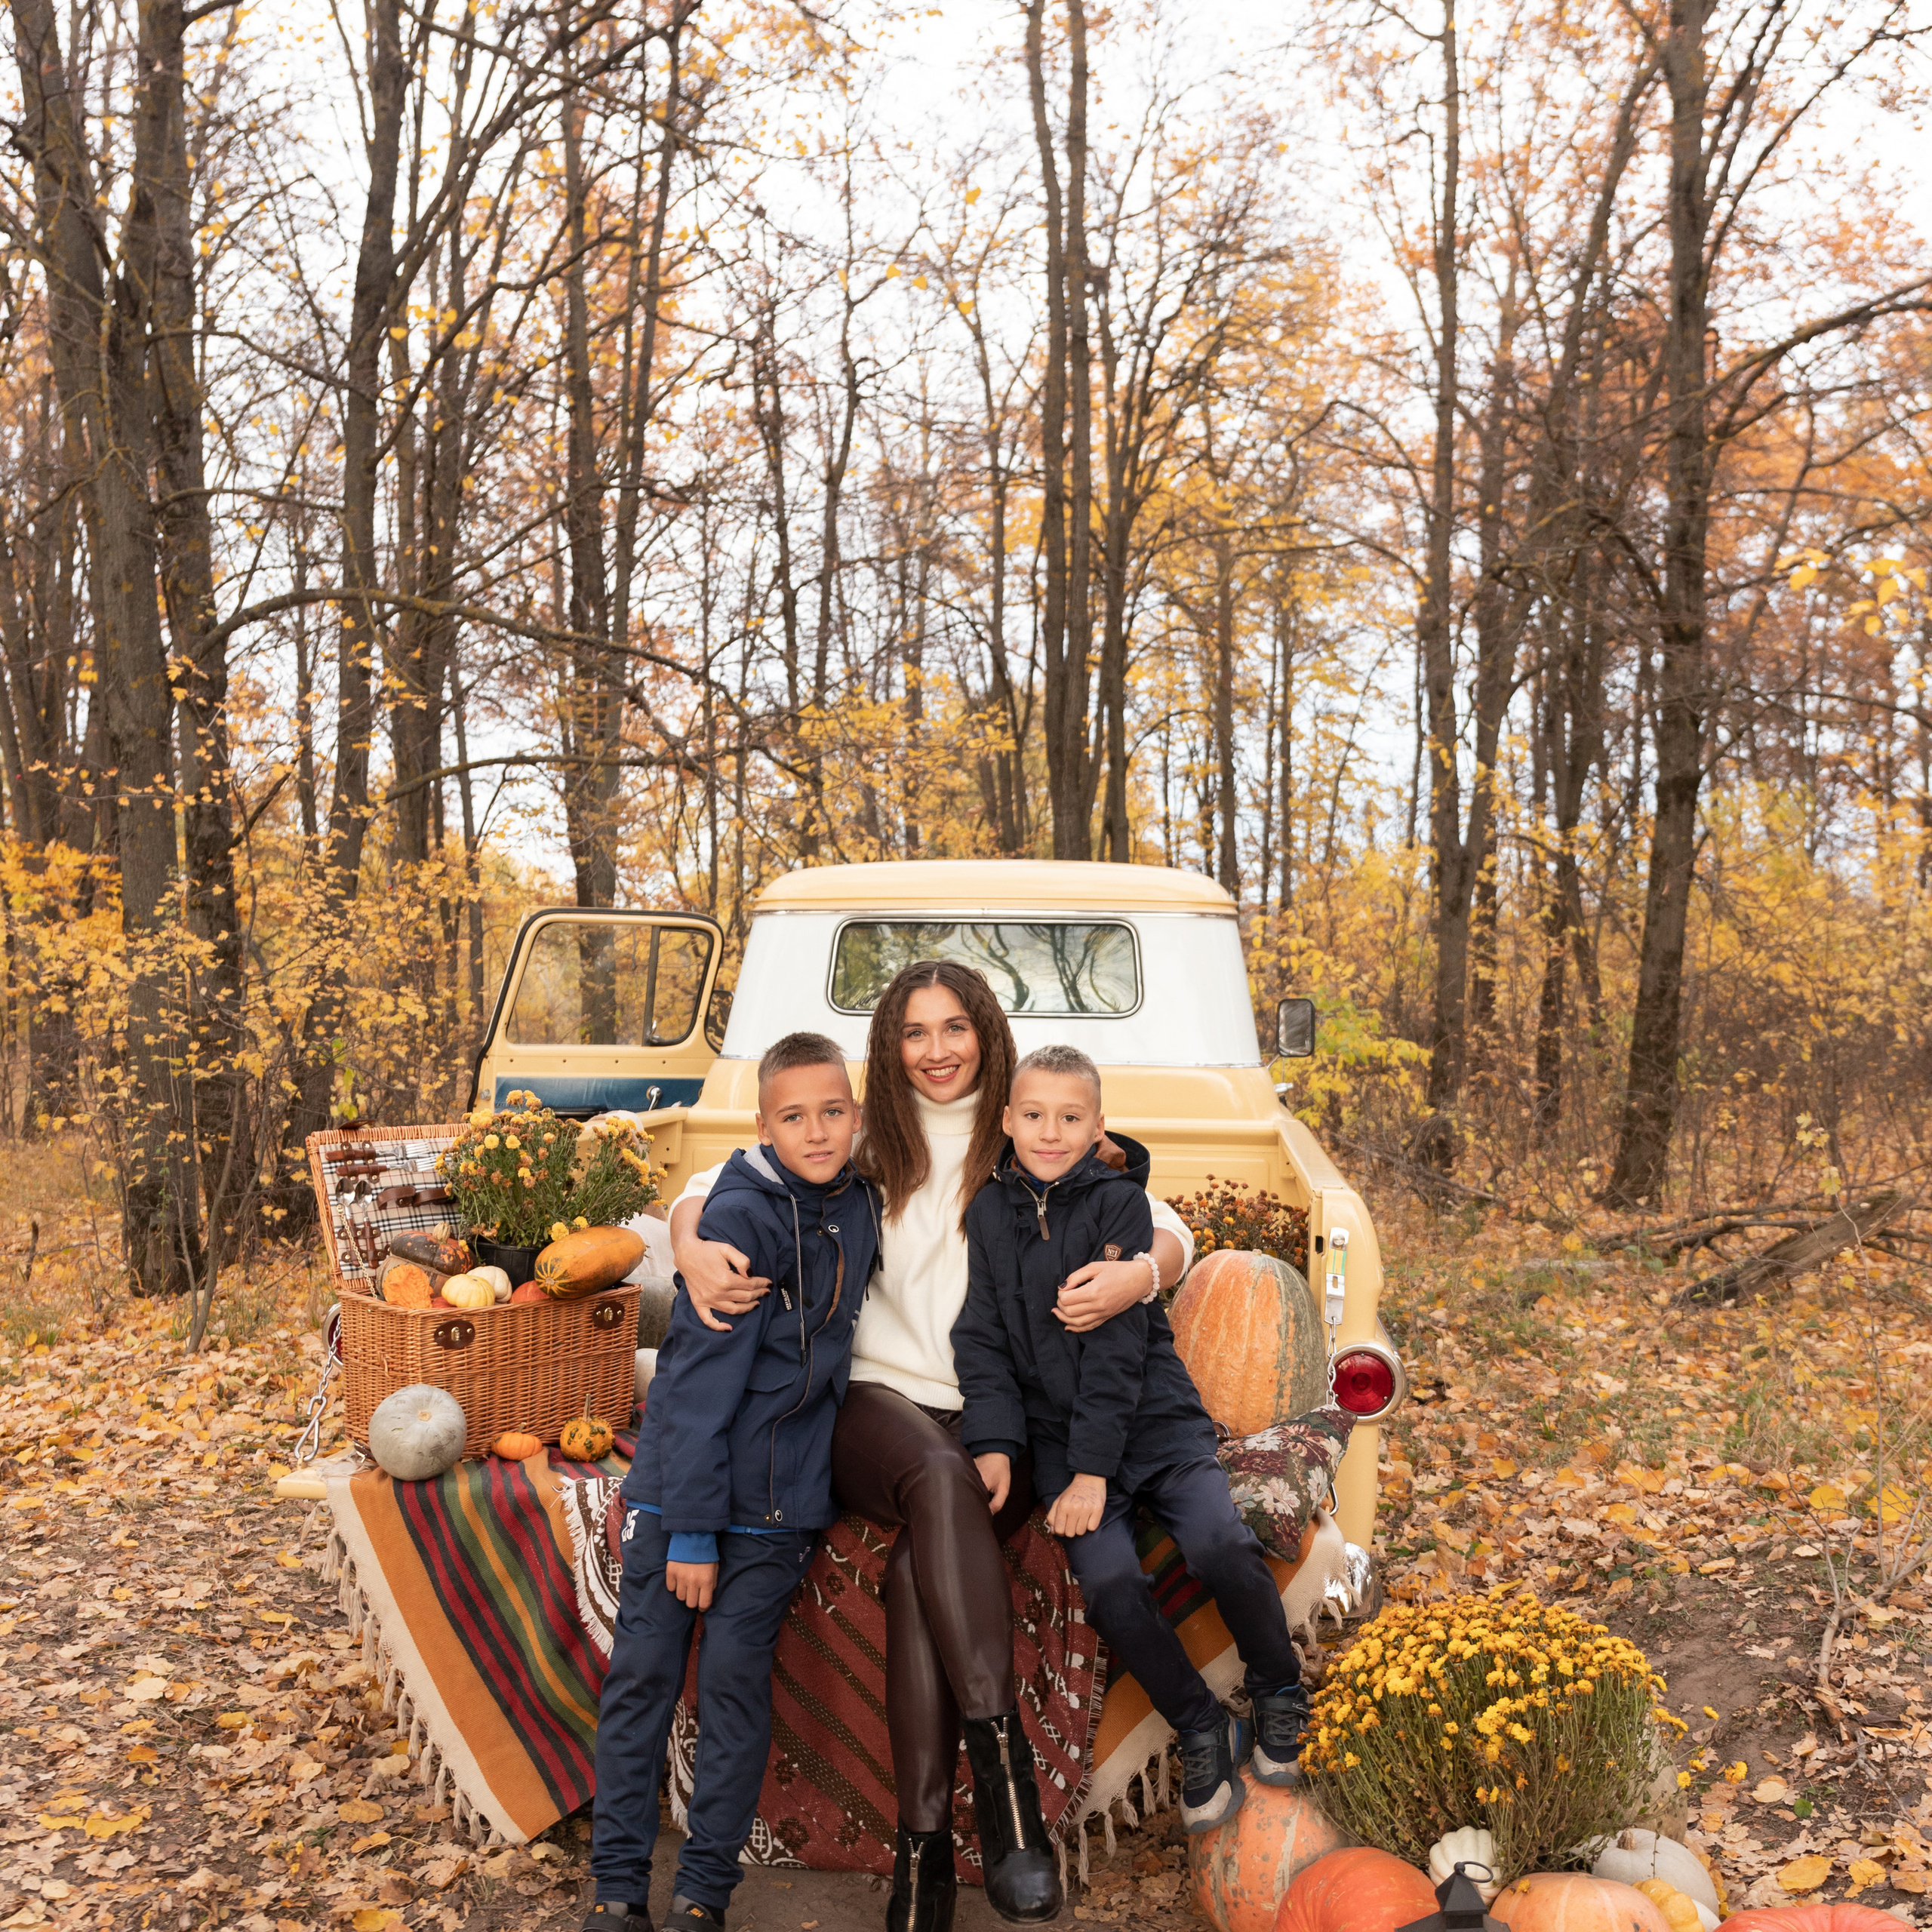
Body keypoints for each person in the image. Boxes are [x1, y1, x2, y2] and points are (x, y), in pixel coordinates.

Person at [670, 959, 1195, 1932]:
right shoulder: (866, 1132)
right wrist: (689, 1239)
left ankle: (922, 1854)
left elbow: (1162, 1222)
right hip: (875, 1404)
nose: (938, 1049)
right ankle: (1005, 1809)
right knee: (937, 1478)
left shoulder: (1030, 1125)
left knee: (925, 1555)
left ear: (986, 1032)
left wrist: (1142, 1277)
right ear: (890, 1046)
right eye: (915, 1032)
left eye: (956, 1026)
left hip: (1002, 1417)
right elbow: (718, 1176)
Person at [952, 1043, 1310, 1835]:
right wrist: (995, 1443)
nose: (1050, 1132)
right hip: (1054, 1439)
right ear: (1007, 1119)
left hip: (1151, 1424)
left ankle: (1278, 1684)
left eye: (1070, 1117)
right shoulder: (986, 1212)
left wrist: (1090, 1475)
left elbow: (1115, 1355)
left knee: (1218, 1540)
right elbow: (980, 1338)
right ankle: (1197, 1721)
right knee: (1110, 1582)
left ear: (1097, 1126)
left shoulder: (1118, 1206)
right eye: (1035, 1115)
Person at [588, 1033, 880, 1932]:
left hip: (781, 1508)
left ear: (857, 1117)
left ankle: (705, 1893)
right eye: (794, 1117)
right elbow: (698, 1387)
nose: (817, 1131)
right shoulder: (741, 1221)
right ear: (763, 1126)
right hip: (686, 1497)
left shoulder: (861, 1201)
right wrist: (687, 1532)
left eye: (833, 1112)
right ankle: (617, 1888)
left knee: (732, 1690)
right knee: (641, 1679)